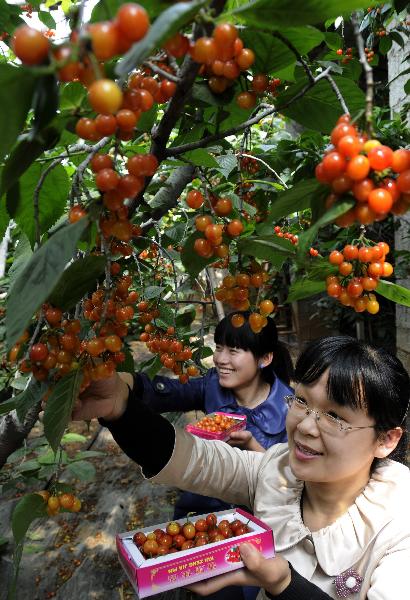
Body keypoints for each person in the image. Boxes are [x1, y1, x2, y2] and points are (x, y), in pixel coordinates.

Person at [72, 335, 410, 599]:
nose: (306, 426)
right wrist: (120, 409)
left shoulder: (399, 527)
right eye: (302, 401)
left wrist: (284, 584)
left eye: (335, 416)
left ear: (386, 440)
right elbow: (192, 460)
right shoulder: (276, 472)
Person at [133, 311, 294, 521]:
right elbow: (170, 391)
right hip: (200, 515)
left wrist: (252, 447)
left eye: (233, 351)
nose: (220, 359)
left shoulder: (291, 410)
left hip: (255, 522)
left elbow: (291, 485)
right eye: (218, 348)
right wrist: (129, 384)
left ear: (265, 358)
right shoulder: (211, 386)